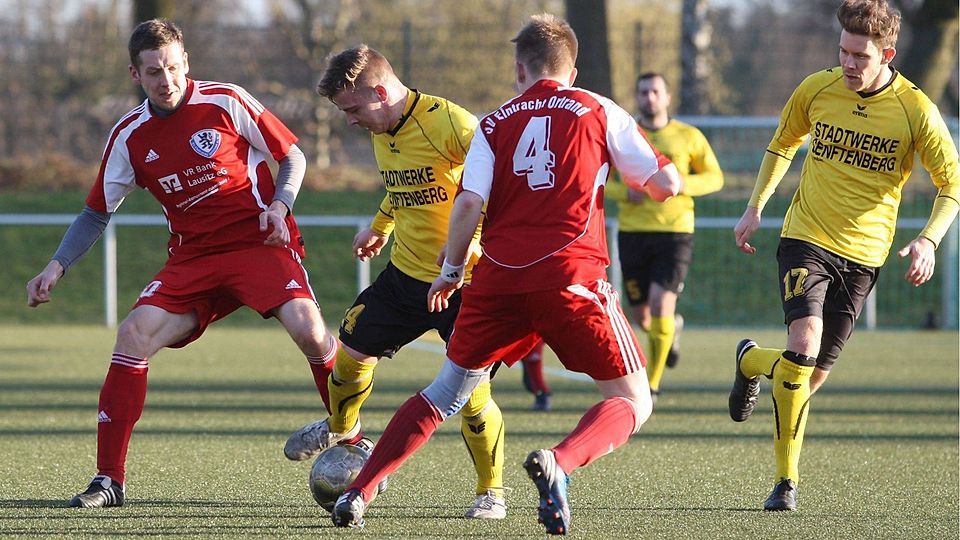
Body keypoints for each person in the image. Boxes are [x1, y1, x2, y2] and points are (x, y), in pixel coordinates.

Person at [329, 14, 681, 534]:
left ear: (519, 70)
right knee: (633, 400)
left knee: (443, 392)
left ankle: (358, 491)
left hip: (496, 282)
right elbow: (666, 185)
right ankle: (559, 462)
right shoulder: (598, 108)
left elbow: (469, 202)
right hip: (570, 276)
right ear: (573, 70)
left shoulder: (493, 123)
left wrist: (451, 272)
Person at [24, 19, 339, 508]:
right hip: (194, 257)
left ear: (186, 62)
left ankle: (352, 434)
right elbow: (96, 213)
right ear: (135, 74)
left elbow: (292, 156)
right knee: (133, 334)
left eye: (172, 67)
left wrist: (280, 207)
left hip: (259, 244)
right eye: (153, 72)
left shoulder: (226, 100)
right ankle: (109, 480)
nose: (166, 80)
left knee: (311, 331)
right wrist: (55, 267)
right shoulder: (129, 135)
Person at [730, 0, 958, 512]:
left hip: (864, 256)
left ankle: (751, 361)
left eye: (860, 56)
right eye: (843, 52)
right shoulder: (817, 88)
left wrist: (929, 239)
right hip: (805, 237)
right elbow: (782, 145)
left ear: (887, 55)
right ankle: (786, 482)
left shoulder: (916, 110)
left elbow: (951, 183)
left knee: (809, 377)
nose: (849, 64)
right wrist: (755, 207)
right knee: (804, 343)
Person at [282, 45, 512, 519]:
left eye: (353, 109)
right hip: (405, 277)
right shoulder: (382, 127)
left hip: (465, 285)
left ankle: (491, 493)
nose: (350, 121)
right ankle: (341, 429)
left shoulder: (452, 124)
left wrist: (472, 245)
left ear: (381, 93)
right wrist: (380, 226)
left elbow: (499, 185)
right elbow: (404, 183)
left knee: (473, 398)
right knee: (349, 356)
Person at [606, 72, 723, 404]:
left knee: (660, 304)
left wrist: (684, 184)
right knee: (643, 317)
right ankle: (672, 329)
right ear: (637, 96)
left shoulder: (688, 136)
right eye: (643, 92)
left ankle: (652, 386)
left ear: (667, 97)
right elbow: (602, 179)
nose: (650, 97)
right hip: (633, 233)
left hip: (675, 232)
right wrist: (625, 193)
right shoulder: (624, 135)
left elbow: (715, 177)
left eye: (656, 91)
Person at [520, 339, 553, 411]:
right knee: (528, 381)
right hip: (522, 338)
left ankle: (543, 397)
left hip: (533, 337)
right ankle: (541, 396)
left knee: (533, 364)